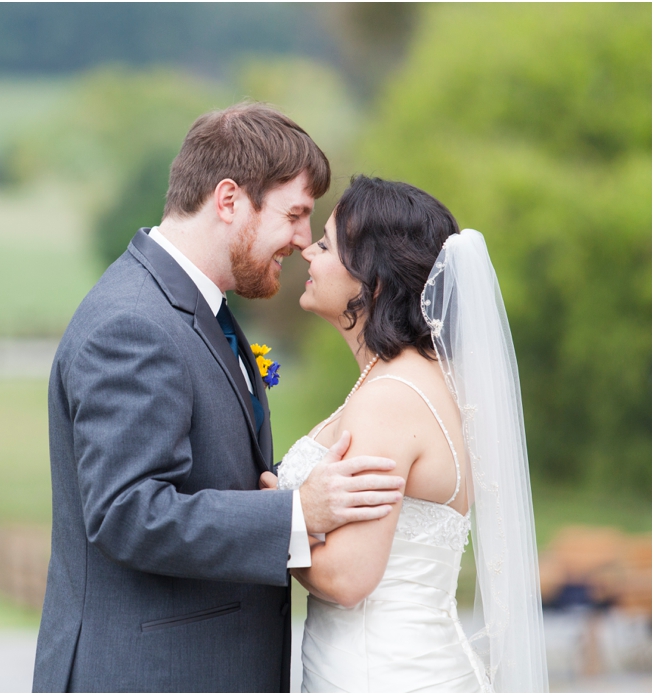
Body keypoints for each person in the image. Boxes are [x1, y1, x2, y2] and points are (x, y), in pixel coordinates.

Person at [32, 104, 406, 693]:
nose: (304, 240)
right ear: (229, 200)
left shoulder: (196, 309)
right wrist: (297, 513)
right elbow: (128, 512)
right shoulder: (133, 324)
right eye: (295, 214)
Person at [269, 175, 547, 692]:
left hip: (382, 673)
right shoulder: (428, 378)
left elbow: (350, 579)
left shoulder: (390, 399)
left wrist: (276, 520)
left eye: (326, 244)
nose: (307, 251)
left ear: (370, 279)